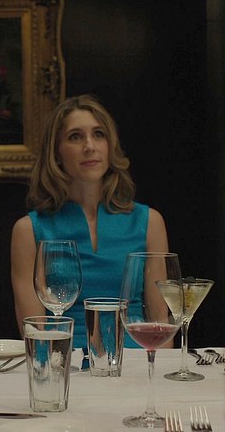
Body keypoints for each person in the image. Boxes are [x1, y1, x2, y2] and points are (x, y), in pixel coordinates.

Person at [10, 94, 172, 349]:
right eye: (75, 136)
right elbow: (35, 335)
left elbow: (161, 326)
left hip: (137, 360)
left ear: (110, 146)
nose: (89, 146)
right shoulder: (28, 230)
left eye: (99, 134)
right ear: (56, 152)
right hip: (65, 360)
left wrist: (156, 371)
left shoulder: (149, 221)